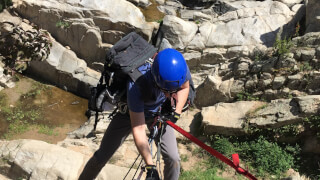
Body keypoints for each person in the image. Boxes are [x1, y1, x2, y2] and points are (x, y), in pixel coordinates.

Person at [78, 48, 191, 180]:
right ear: (155, 80)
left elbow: (185, 87)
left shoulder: (177, 70)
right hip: (129, 114)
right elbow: (139, 129)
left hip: (159, 114)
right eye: (164, 90)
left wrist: (176, 113)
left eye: (171, 91)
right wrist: (150, 166)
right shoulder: (136, 84)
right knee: (101, 157)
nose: (167, 95)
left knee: (173, 159)